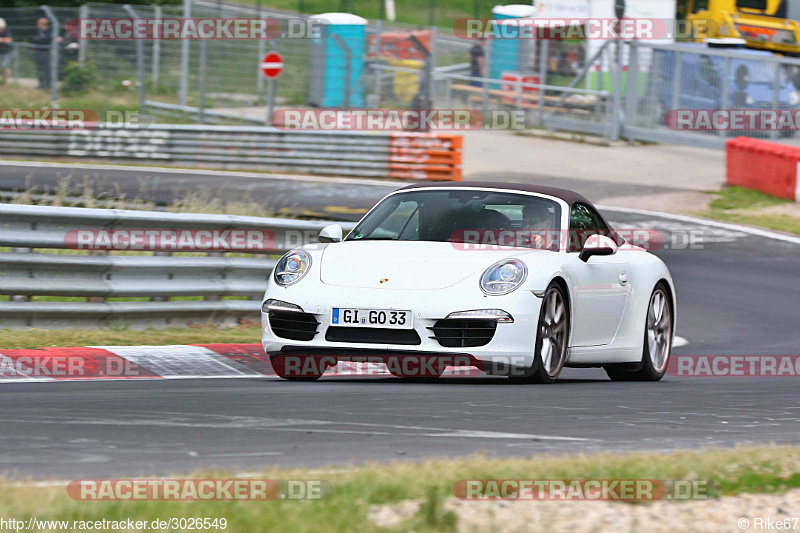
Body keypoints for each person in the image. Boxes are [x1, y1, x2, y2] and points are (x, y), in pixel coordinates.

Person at [30, 17, 62, 89]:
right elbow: (32, 39)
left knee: (46, 68)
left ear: (44, 24)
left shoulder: (49, 32)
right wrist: (39, 40)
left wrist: (39, 40)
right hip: (37, 51)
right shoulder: (36, 31)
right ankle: (41, 84)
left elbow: (47, 40)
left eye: (39, 23)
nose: (38, 25)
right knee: (39, 69)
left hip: (46, 52)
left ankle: (48, 84)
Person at [0, 18, 12, 83]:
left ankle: (6, 80)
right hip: (1, 51)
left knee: (5, 65)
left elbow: (9, 39)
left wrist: (1, 40)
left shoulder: (6, 31)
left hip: (6, 52)